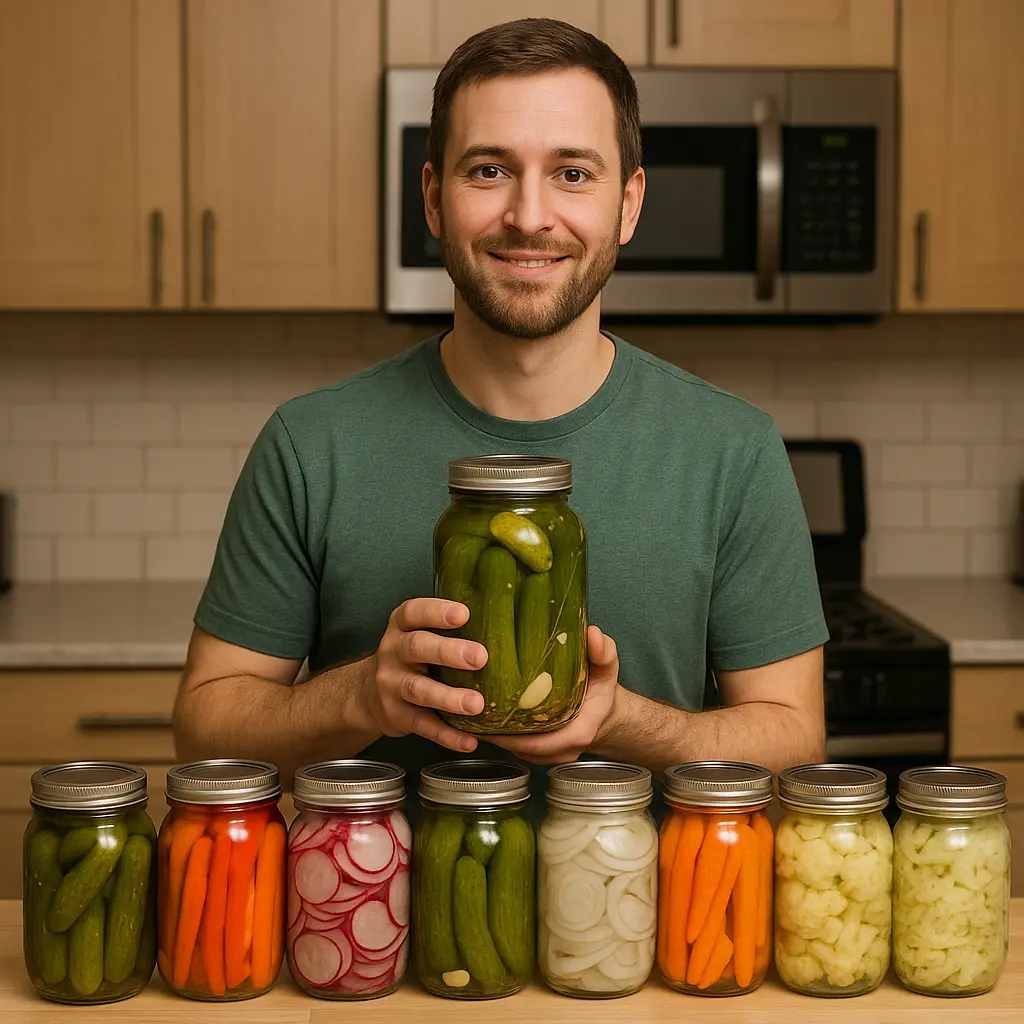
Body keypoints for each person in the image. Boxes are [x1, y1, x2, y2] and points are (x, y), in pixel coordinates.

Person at [173, 18, 828, 813]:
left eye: (573, 174)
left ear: (628, 205)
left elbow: (795, 742)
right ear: (433, 200)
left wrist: (623, 720)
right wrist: (357, 698)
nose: (529, 215)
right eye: (488, 170)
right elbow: (204, 732)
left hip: (651, 933)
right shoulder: (312, 445)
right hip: (367, 933)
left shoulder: (732, 449)